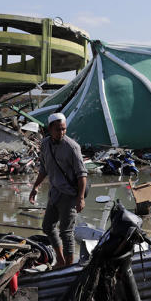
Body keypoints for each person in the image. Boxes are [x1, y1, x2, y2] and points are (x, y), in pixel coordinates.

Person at [29, 112, 87, 267]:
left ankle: (68, 266)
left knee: (66, 231)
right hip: (55, 193)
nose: (61, 132)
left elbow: (82, 175)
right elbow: (44, 168)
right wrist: (35, 187)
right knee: (47, 226)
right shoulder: (45, 144)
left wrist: (80, 198)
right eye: (58, 129)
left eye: (64, 129)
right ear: (50, 129)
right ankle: (60, 260)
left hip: (69, 194)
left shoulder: (72, 147)